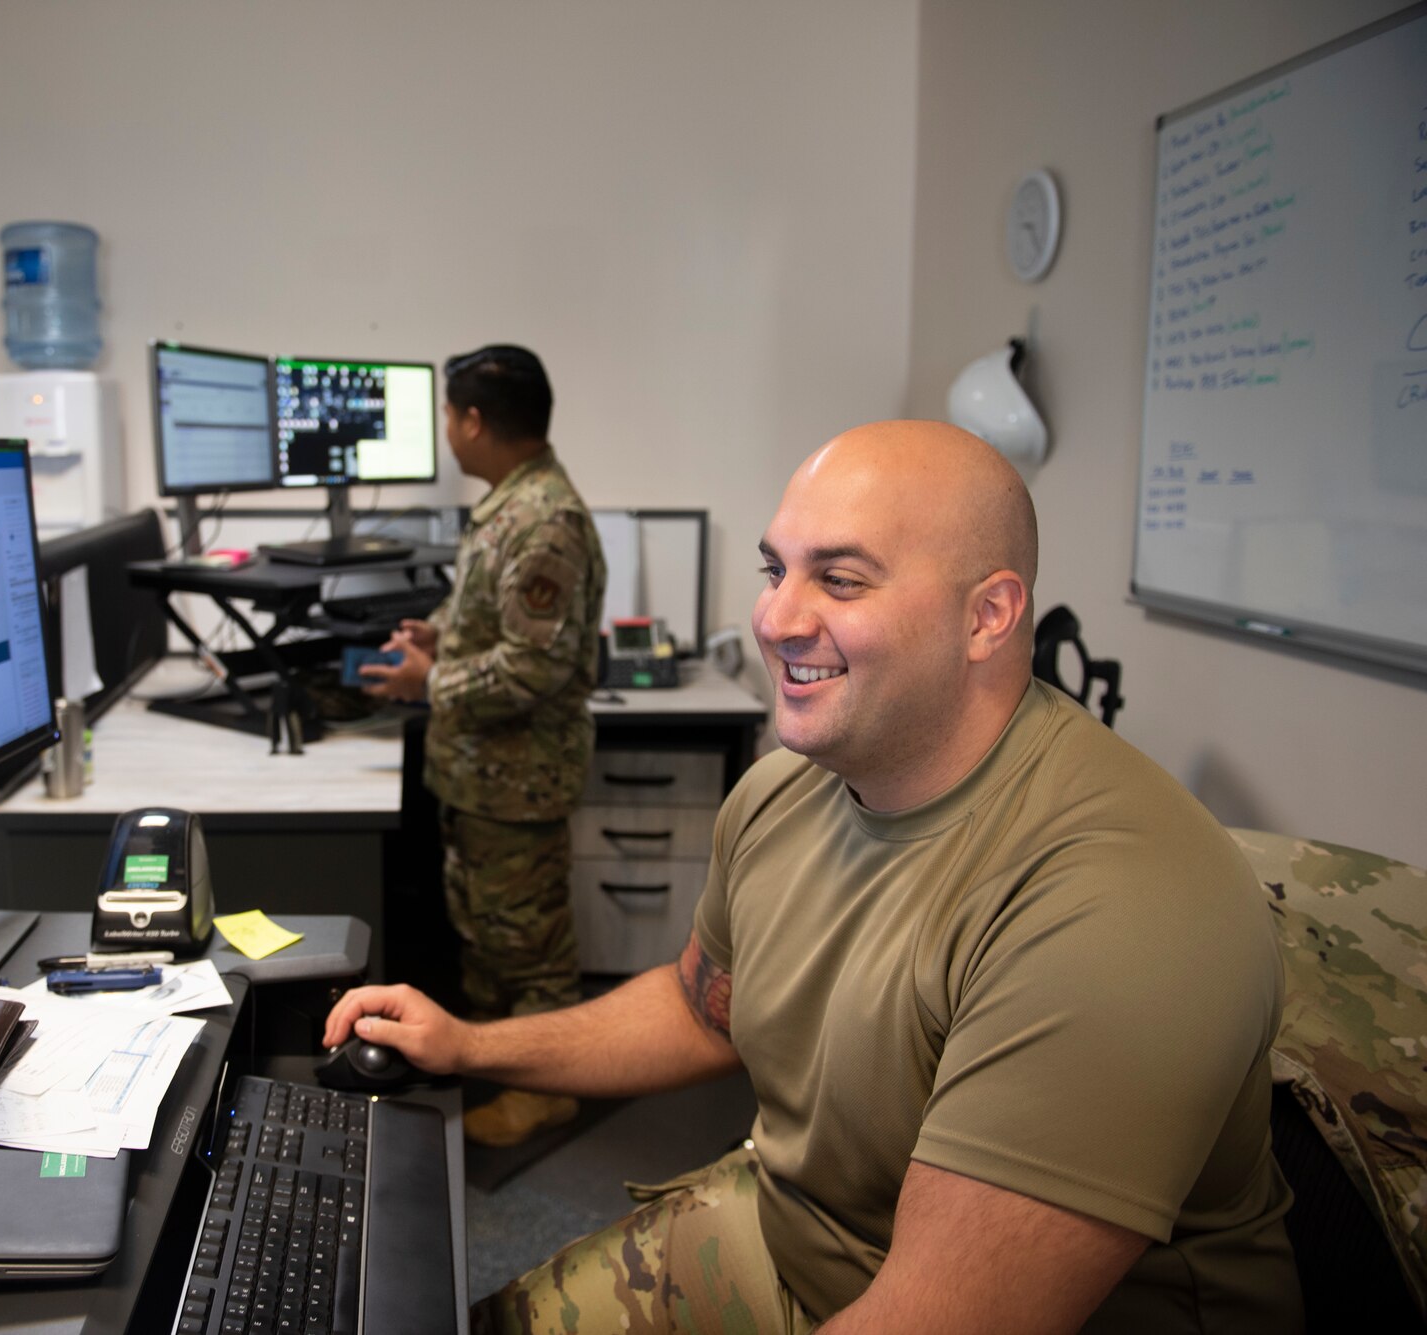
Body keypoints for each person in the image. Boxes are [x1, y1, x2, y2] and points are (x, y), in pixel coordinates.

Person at [330, 420, 1300, 1333]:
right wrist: (468, 1046)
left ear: (987, 616)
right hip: (797, 1230)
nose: (774, 618)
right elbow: (699, 1008)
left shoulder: (1107, 909)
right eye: (774, 569)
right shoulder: (786, 790)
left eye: (838, 580)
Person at [357, 345, 607, 1149]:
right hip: (482, 779)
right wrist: (445, 634)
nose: (445, 434)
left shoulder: (544, 521)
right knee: (488, 935)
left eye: (447, 417)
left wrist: (428, 680)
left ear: (472, 420)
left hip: (516, 781)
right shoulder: (512, 504)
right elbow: (501, 628)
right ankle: (503, 1068)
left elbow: (534, 665)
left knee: (528, 948)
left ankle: (544, 1093)